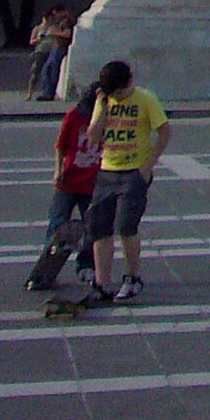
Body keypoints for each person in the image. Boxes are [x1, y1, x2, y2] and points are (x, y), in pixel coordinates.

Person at [84, 60, 170, 303]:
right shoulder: (105, 100)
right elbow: (93, 136)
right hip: (107, 170)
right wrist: (101, 107)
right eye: (114, 94)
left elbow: (164, 131)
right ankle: (102, 283)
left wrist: (147, 166)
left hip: (134, 171)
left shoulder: (145, 99)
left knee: (126, 227)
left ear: (130, 82)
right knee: (99, 229)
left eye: (121, 92)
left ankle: (133, 278)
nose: (119, 97)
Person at [28, 82, 103, 293]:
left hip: (93, 183)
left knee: (93, 227)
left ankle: (86, 264)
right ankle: (47, 267)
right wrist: (57, 170)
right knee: (57, 224)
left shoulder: (108, 119)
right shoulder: (73, 116)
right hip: (68, 181)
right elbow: (61, 147)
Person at [28, 7, 74, 100]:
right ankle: (47, 92)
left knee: (52, 70)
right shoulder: (59, 22)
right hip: (55, 47)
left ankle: (48, 93)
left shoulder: (66, 22)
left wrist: (54, 33)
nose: (55, 16)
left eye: (56, 13)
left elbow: (67, 34)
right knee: (47, 70)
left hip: (60, 48)